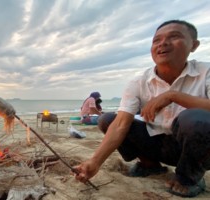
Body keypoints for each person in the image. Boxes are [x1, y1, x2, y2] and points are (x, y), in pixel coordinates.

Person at [75, 20, 210, 198]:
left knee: (195, 119)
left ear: (194, 45)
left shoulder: (205, 72)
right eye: (157, 40)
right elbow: (120, 125)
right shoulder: (139, 81)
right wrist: (94, 162)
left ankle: (189, 177)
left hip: (198, 147)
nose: (163, 43)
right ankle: (149, 165)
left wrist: (172, 96)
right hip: (158, 144)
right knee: (108, 120)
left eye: (174, 36)